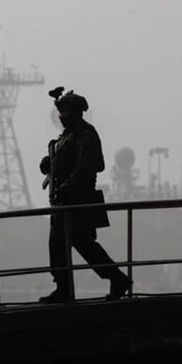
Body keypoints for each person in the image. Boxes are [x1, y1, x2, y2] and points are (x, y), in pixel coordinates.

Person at [39, 89, 132, 303]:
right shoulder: (67, 136)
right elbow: (64, 162)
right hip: (63, 202)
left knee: (83, 243)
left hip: (78, 201)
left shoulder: (85, 135)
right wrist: (49, 163)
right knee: (62, 244)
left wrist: (67, 186)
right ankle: (64, 286)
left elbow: (89, 166)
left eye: (65, 111)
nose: (61, 117)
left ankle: (115, 278)